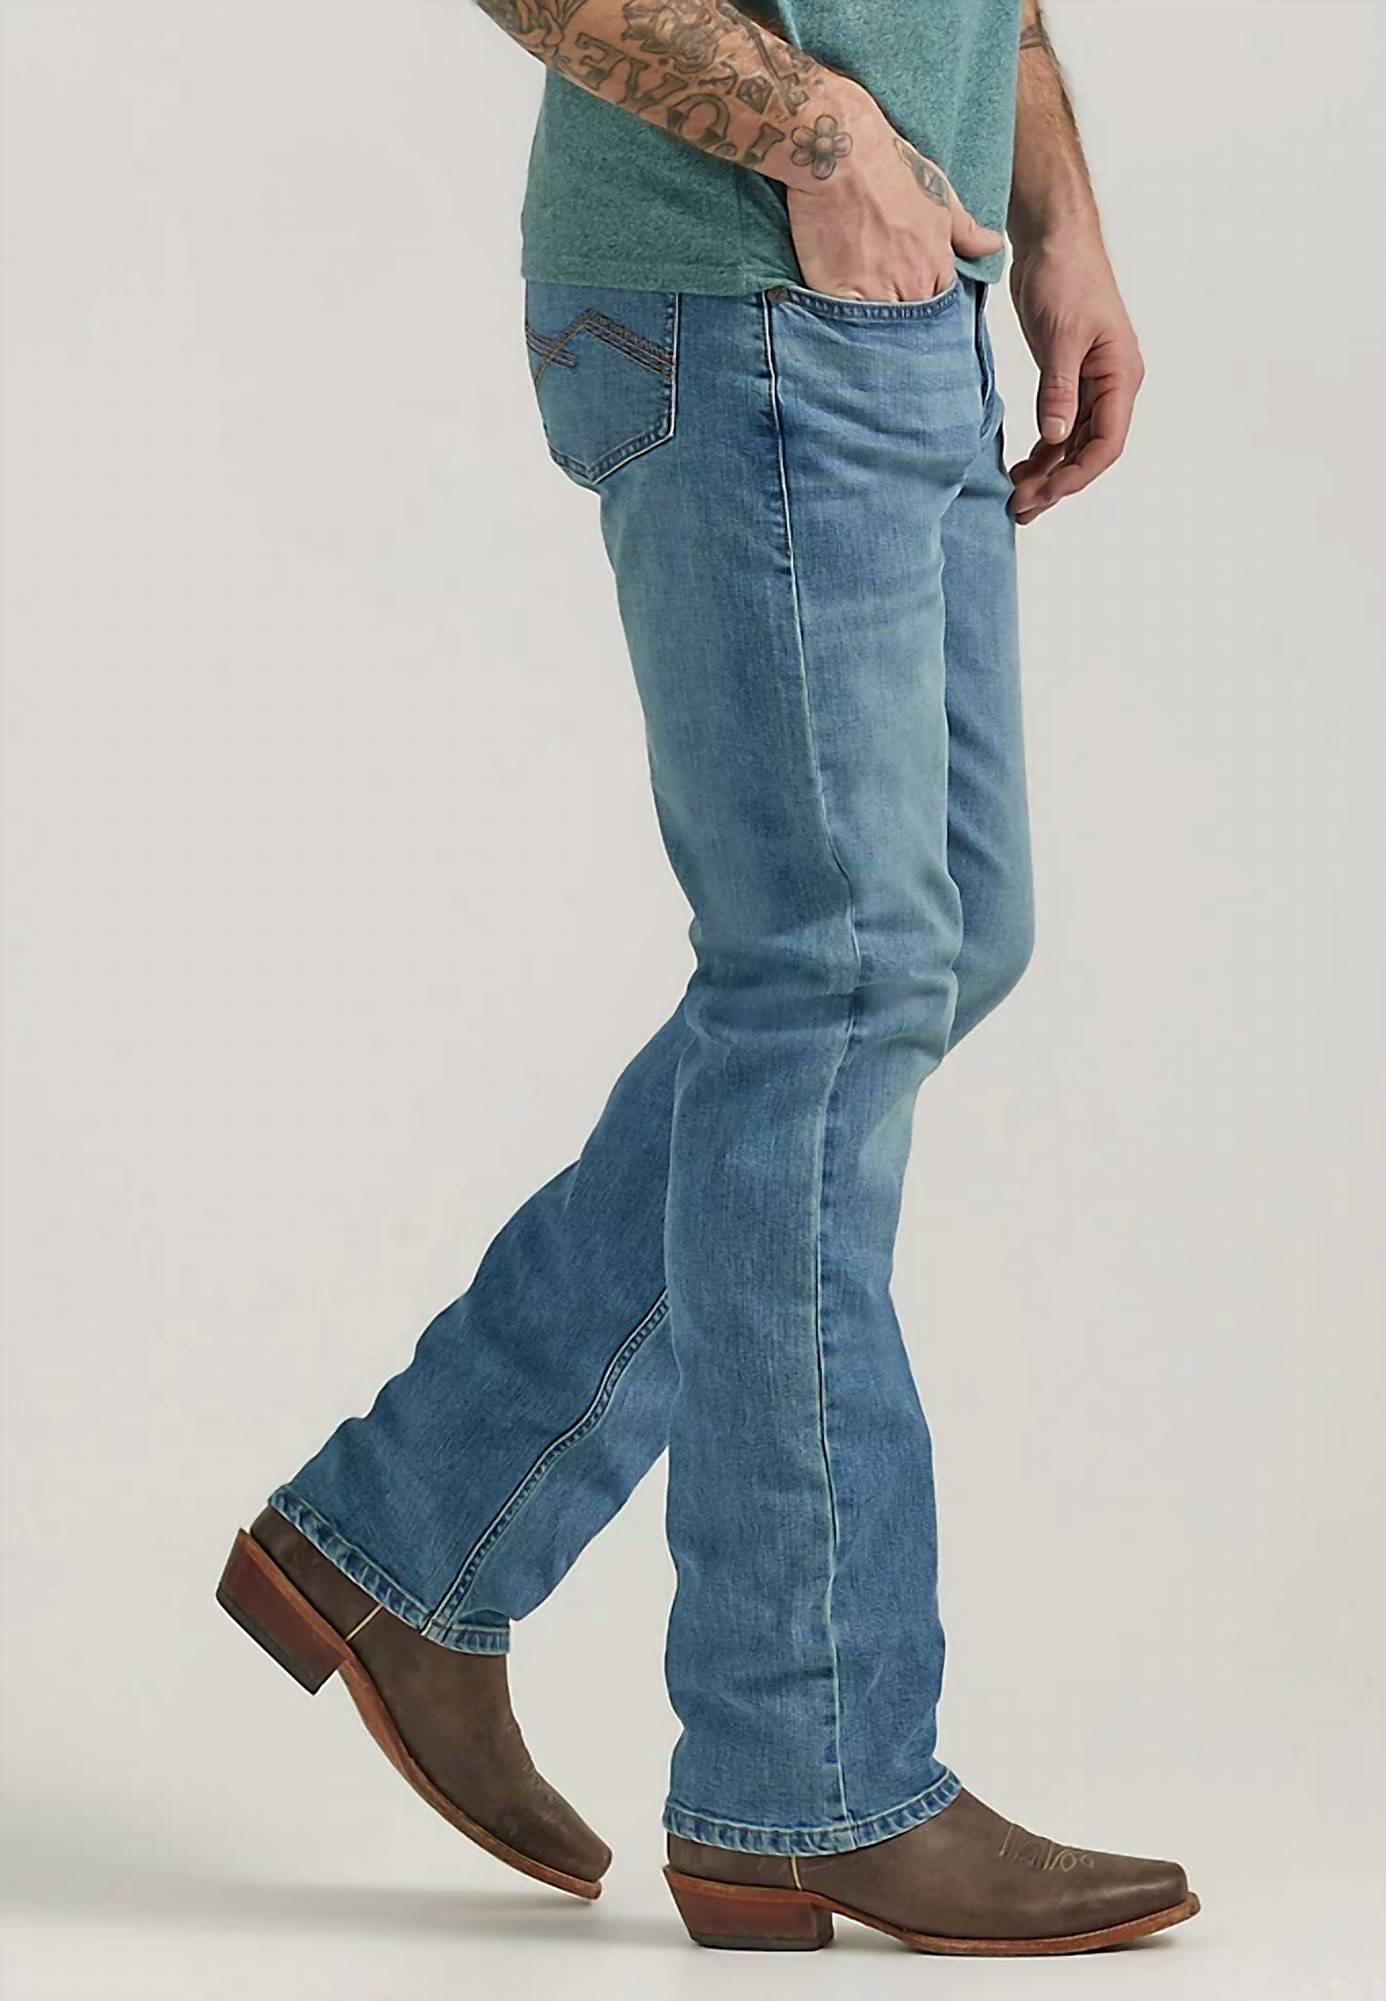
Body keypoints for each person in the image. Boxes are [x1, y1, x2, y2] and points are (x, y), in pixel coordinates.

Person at [219, 0, 1195, 1956]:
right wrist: (821, 142)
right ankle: (806, 1768)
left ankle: (416, 1524)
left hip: (907, 288)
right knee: (830, 982)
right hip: (750, 284)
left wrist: (1057, 212)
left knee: (937, 934)